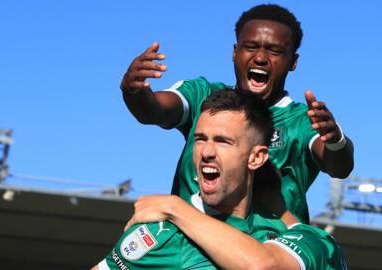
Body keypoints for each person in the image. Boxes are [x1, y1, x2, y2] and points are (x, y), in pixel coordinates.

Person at [120, 4, 354, 224]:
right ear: (235, 52)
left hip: (265, 257)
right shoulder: (202, 95)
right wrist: (134, 91)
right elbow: (153, 110)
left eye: (275, 51)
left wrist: (335, 141)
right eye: (251, 47)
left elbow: (339, 166)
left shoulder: (302, 120)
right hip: (190, 255)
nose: (260, 58)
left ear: (293, 62)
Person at [93, 90, 347, 270]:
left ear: (256, 158)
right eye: (201, 139)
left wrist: (173, 206)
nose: (206, 152)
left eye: (223, 141)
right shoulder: (162, 235)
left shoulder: (312, 243)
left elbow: (262, 266)